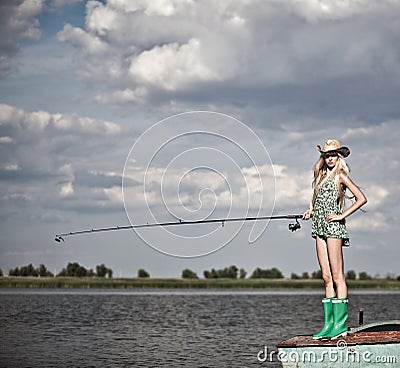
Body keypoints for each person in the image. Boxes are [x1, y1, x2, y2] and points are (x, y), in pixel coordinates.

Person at [302, 139, 367, 339]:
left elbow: (361, 198)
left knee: (338, 276)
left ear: (338, 156)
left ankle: (340, 324)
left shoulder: (341, 175)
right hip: (318, 226)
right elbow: (318, 200)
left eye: (332, 155)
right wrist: (311, 210)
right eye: (326, 155)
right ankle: (328, 325)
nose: (329, 158)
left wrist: (341, 215)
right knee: (326, 277)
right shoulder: (320, 176)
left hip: (333, 227)